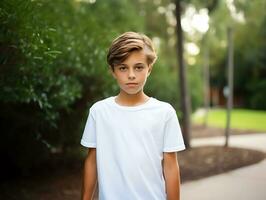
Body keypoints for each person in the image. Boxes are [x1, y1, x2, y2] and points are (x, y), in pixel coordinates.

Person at [80, 31, 185, 200]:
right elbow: (92, 162)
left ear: (149, 69)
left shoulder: (165, 113)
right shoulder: (99, 112)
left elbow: (171, 166)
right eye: (123, 67)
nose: (131, 75)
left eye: (138, 67)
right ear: (113, 71)